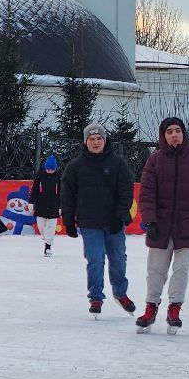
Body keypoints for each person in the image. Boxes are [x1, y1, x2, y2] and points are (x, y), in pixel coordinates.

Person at [136, 117, 189, 334]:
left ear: (184, 134)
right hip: (160, 227)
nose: (174, 134)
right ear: (163, 135)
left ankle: (175, 308)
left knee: (181, 269)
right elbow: (146, 194)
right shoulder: (154, 161)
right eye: (170, 131)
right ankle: (150, 306)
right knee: (156, 270)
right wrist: (150, 220)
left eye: (178, 131)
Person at [60, 122, 136, 318]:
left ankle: (120, 293)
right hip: (89, 222)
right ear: (86, 142)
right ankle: (95, 296)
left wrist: (120, 216)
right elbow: (67, 195)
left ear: (105, 140)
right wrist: (68, 221)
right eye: (91, 139)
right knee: (95, 259)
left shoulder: (118, 163)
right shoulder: (75, 166)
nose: (95, 142)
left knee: (118, 259)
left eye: (99, 138)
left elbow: (126, 191)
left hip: (113, 222)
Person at [31, 154, 62, 257]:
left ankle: (48, 246)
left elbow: (62, 193)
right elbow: (34, 191)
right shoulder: (39, 177)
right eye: (48, 169)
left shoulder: (59, 178)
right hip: (41, 206)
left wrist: (61, 206)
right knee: (42, 227)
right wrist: (31, 202)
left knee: (51, 227)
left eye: (52, 169)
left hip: (54, 207)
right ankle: (46, 239)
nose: (50, 171)